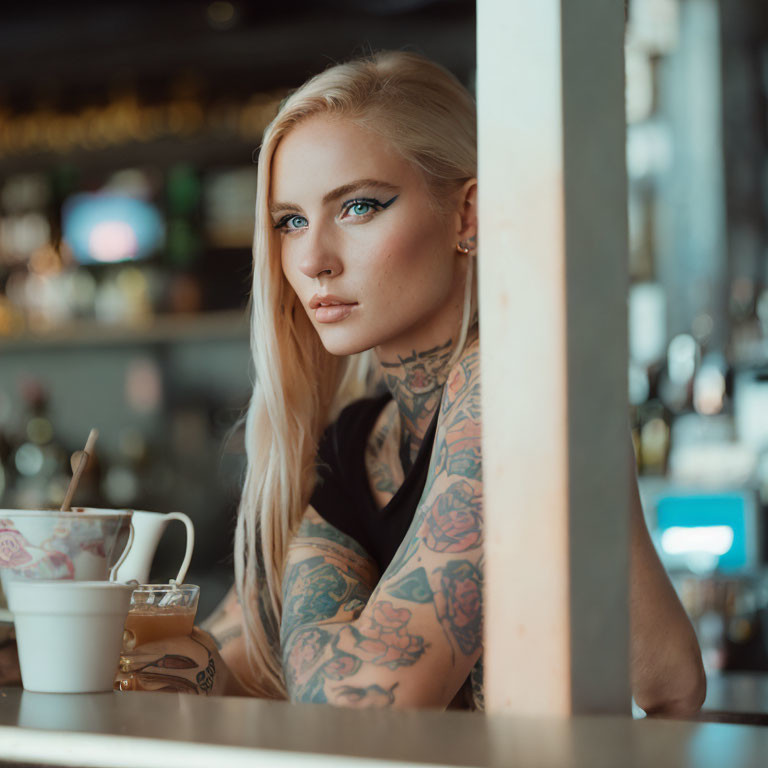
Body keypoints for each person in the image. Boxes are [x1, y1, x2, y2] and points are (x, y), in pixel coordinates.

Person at [0, 51, 706, 714]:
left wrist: (219, 654)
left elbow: (358, 694)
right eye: (289, 221)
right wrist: (52, 647)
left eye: (359, 206)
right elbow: (232, 651)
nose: (312, 259)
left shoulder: (509, 388)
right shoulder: (360, 435)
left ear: (467, 216)